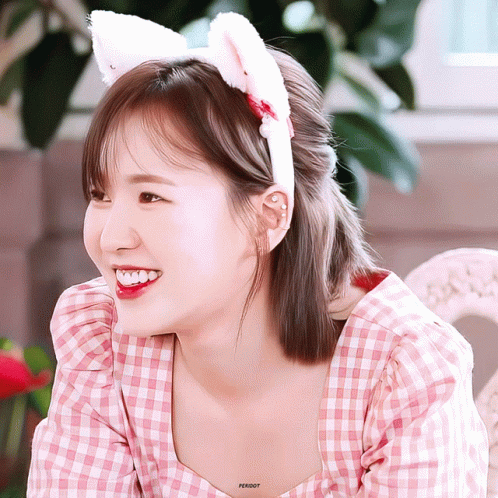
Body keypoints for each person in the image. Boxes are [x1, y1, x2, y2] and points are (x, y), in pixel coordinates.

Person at [27, 10, 488, 498]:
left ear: (268, 217)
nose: (110, 237)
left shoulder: (403, 372)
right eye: (99, 194)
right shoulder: (103, 344)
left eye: (150, 196)